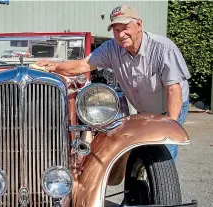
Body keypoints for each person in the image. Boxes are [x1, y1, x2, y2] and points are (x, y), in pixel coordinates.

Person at [36, 4, 191, 162]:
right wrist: (54, 66)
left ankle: (164, 184)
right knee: (142, 148)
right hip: (144, 108)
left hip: (170, 105)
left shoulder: (163, 48)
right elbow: (82, 65)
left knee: (164, 152)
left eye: (125, 28)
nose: (121, 34)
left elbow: (173, 89)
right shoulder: (111, 48)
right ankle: (142, 184)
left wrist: (171, 125)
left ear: (139, 25)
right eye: (116, 30)